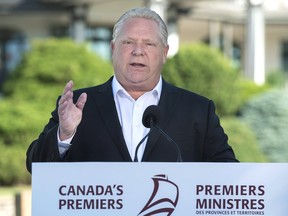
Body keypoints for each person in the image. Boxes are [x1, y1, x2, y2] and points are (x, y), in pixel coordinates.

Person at [26, 7, 238, 173]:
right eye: (128, 42)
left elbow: (227, 172)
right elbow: (36, 166)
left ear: (164, 53)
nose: (138, 51)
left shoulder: (197, 109)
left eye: (149, 44)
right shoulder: (78, 105)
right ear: (113, 49)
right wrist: (65, 133)